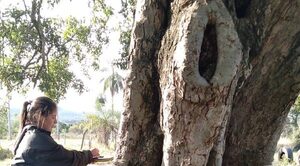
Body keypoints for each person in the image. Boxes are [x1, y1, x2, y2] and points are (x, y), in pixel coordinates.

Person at [11, 96, 99, 166]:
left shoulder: (28, 134)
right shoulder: (39, 139)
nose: (55, 122)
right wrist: (89, 154)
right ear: (39, 116)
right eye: (53, 117)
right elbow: (66, 158)